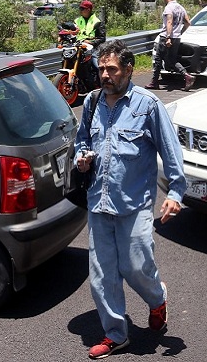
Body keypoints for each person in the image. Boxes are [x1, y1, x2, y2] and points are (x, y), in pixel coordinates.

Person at [74, 39, 188, 359]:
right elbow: (81, 141)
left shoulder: (148, 105)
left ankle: (157, 299)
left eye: (112, 69)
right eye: (101, 69)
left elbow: (170, 150)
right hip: (99, 200)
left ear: (129, 69)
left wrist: (176, 192)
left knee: (137, 265)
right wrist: (81, 157)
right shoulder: (92, 102)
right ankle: (115, 334)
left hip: (134, 202)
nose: (105, 75)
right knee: (102, 274)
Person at [146, 0, 194, 91]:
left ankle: (154, 82)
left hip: (166, 37)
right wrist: (180, 32)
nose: (163, 0)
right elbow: (188, 22)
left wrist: (168, 37)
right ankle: (187, 76)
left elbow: (169, 22)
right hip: (177, 37)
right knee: (172, 60)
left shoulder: (169, 8)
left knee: (158, 59)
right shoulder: (181, 8)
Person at [75, 0, 107, 77]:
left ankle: (103, 83)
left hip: (93, 48)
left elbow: (102, 38)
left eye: (82, 9)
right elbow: (72, 31)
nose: (80, 10)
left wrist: (92, 42)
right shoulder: (77, 21)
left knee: (97, 65)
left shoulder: (97, 21)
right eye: (80, 8)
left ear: (88, 10)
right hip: (79, 46)